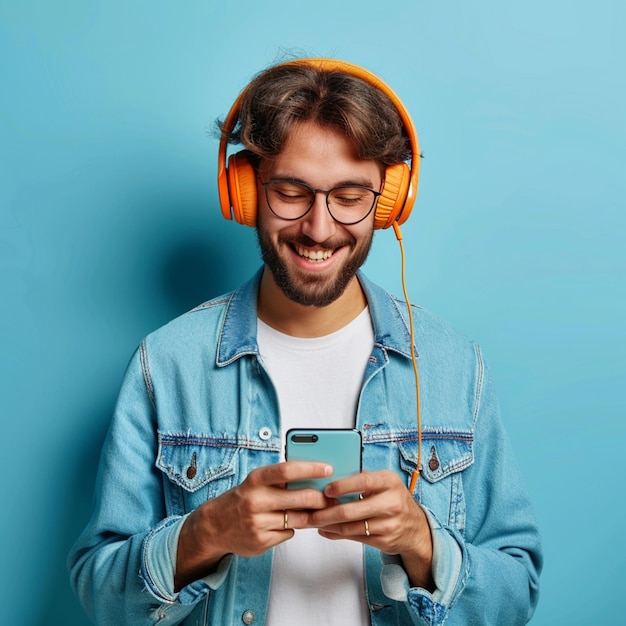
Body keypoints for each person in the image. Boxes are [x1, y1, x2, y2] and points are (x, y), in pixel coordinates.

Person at [68, 58, 542, 625]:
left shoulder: (453, 365)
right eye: (291, 192)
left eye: (349, 196)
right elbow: (100, 597)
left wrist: (423, 542)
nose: (319, 228)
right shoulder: (166, 363)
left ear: (389, 202)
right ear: (244, 191)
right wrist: (205, 533)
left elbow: (515, 595)